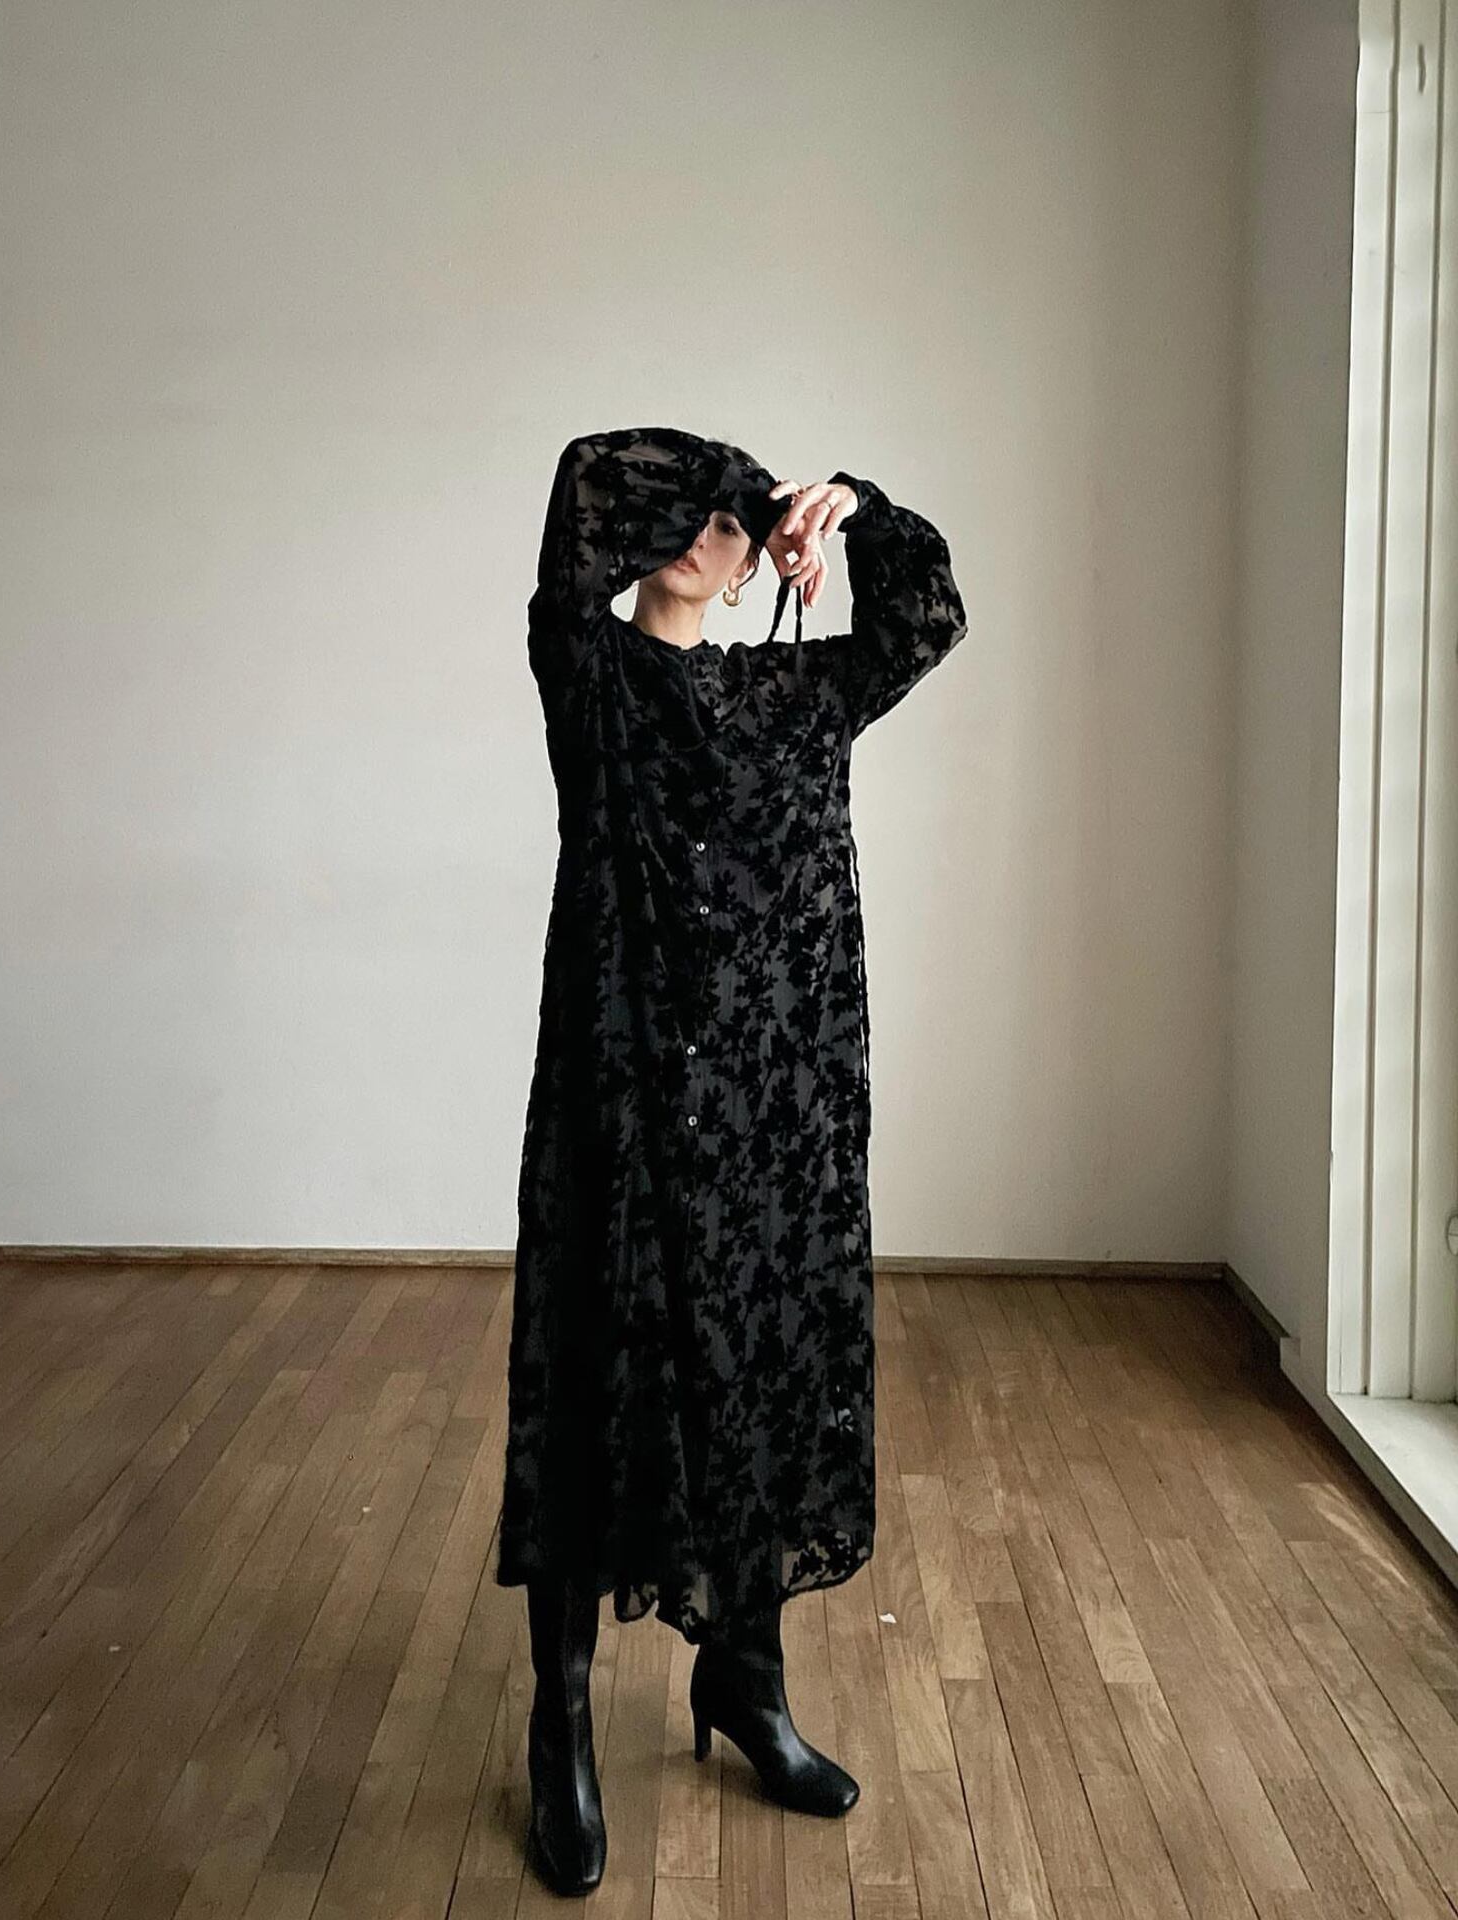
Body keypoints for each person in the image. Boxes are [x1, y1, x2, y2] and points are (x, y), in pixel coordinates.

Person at [496, 427, 968, 1894]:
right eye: (695, 514)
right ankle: (563, 1726)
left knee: (763, 1380)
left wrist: (852, 507)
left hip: (778, 1113)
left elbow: (928, 617)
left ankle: (746, 1686)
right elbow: (579, 501)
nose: (718, 533)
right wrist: (710, 486)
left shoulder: (796, 695)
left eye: (739, 519)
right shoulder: (591, 681)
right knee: (594, 1388)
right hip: (625, 1098)